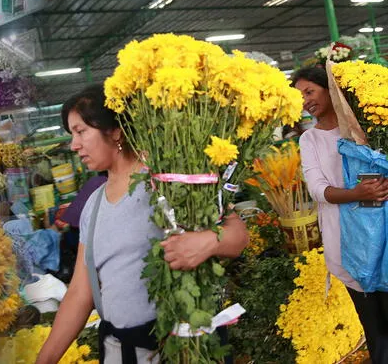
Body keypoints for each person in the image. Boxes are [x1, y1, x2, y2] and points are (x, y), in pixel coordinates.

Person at [35, 85, 249, 364]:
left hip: (184, 348)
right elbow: (79, 291)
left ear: (115, 130)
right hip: (121, 350)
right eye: (72, 135)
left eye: (81, 131)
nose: (74, 145)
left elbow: (238, 236)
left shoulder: (172, 181)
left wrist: (208, 242)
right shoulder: (93, 204)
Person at [293, 67, 388, 363]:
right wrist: (357, 194)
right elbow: (318, 190)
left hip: (384, 239)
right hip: (345, 243)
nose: (306, 101)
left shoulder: (371, 127)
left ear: (330, 89)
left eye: (310, 91)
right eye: (300, 96)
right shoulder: (310, 140)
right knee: (375, 328)